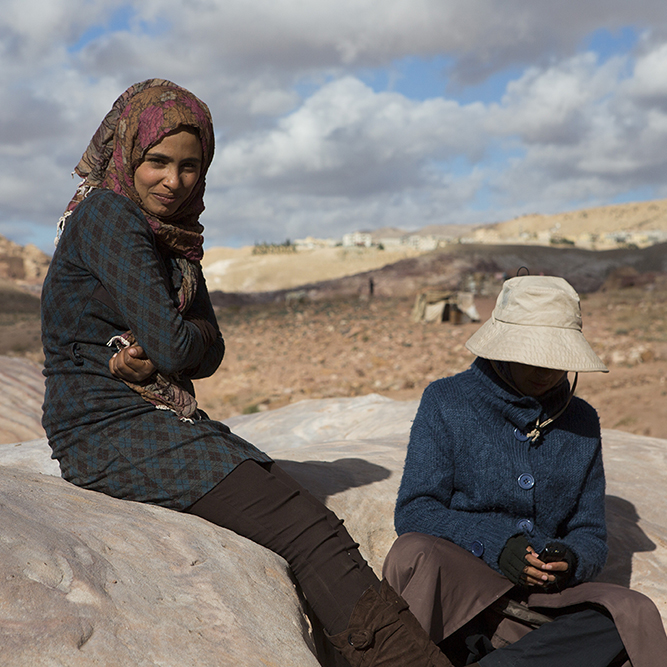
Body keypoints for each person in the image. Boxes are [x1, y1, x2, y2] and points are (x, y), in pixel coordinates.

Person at [40, 78, 457, 666]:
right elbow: (180, 345)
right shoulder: (111, 216)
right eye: (157, 161)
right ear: (128, 155)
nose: (174, 181)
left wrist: (166, 347)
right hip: (106, 428)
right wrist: (167, 346)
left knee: (303, 521)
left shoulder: (175, 238)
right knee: (305, 528)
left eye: (190, 166)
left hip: (143, 418)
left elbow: (206, 351)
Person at [383, 275, 667, 667]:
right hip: (460, 581)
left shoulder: (582, 421)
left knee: (629, 613)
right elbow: (415, 510)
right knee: (414, 553)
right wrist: (494, 543)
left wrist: (569, 559)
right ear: (503, 346)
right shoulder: (447, 402)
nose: (546, 370)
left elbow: (590, 533)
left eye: (556, 357)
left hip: (539, 603)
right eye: (532, 354)